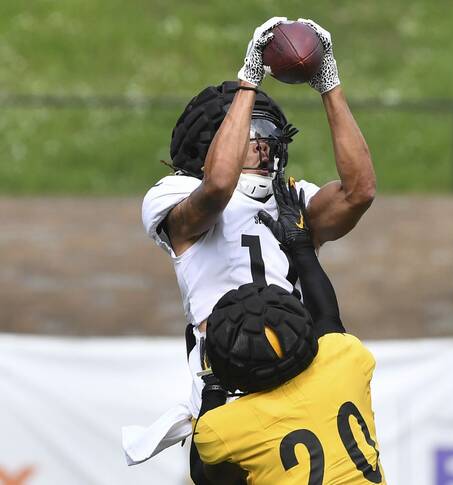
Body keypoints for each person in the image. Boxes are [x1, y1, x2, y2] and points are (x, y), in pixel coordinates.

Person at [133, 15, 375, 481]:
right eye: (248, 136)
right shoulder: (172, 195)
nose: (262, 147)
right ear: (212, 143)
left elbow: (358, 191)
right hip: (229, 384)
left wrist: (329, 82)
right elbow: (219, 185)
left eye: (267, 137)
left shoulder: (291, 196)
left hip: (301, 373)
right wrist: (250, 77)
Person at [192, 172, 386, 484]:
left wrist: (213, 385)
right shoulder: (346, 361)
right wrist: (300, 244)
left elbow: (204, 475)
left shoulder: (223, 428)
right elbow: (328, 320)